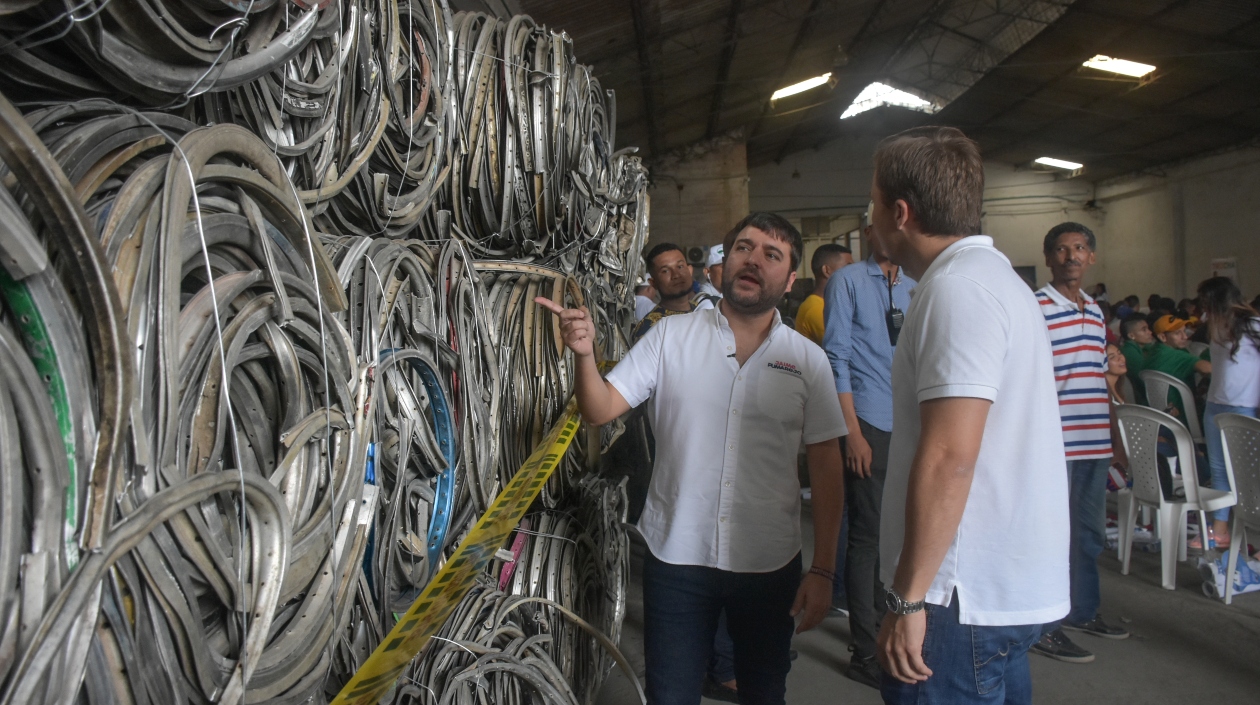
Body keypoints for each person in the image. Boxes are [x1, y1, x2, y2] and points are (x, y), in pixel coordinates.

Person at [536, 212, 847, 705]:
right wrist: (583, 353)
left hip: (769, 565)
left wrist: (825, 570)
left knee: (765, 692)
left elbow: (827, 467)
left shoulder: (807, 361)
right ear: (724, 265)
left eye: (772, 255)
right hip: (678, 559)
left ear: (789, 279)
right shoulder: (669, 338)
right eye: (744, 248)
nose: (754, 260)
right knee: (671, 693)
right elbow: (599, 410)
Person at [869, 126, 1069, 705]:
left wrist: (907, 599)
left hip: (957, 597)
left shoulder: (958, 291)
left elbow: (950, 458)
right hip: (990, 590)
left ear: (900, 212)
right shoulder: (997, 282)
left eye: (874, 202)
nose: (871, 216)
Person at [1029, 223, 1130, 667]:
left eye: (1080, 248)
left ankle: (1081, 612)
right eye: (1062, 250)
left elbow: (1099, 382)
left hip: (1094, 444)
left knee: (1088, 534)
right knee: (1050, 536)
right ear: (1049, 259)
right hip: (1054, 445)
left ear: (1091, 257)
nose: (1072, 256)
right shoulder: (1036, 307)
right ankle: (1043, 629)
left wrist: (1115, 440)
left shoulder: (1094, 311)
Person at [822, 224, 914, 688]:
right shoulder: (849, 281)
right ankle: (864, 648)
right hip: (870, 422)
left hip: (914, 424)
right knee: (868, 536)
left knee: (904, 534)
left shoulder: (920, 283)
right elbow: (835, 356)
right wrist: (852, 432)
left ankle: (894, 629)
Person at [1198, 276, 1260, 550]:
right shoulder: (1213, 324)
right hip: (1215, 404)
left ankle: (1250, 531)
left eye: (1207, 302)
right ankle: (1219, 529)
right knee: (1219, 468)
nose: (1204, 308)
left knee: (1248, 472)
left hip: (1243, 406)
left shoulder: (1253, 326)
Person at [633, 243, 717, 343]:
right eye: (665, 271)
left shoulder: (704, 311)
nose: (676, 275)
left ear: (690, 271)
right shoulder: (650, 329)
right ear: (653, 283)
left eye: (680, 266)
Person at [1144, 314, 1211, 420]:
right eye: (1177, 333)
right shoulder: (1173, 355)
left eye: (1184, 331)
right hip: (1183, 415)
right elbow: (1207, 369)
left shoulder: (1154, 351)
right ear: (1162, 337)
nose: (1185, 336)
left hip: (1160, 415)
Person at [796, 244, 853, 346]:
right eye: (848, 268)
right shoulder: (816, 308)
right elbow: (848, 348)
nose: (853, 273)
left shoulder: (829, 303)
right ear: (826, 270)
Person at [1120, 314, 1155, 404]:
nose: (1150, 332)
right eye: (1144, 330)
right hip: (1141, 402)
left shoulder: (1143, 348)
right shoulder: (1130, 353)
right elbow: (1146, 382)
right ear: (1131, 335)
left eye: (1148, 328)